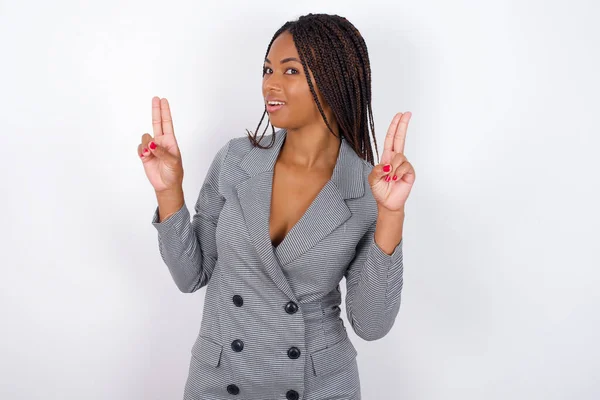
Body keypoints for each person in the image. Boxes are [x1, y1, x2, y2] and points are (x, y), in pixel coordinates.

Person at [137, 13, 415, 400]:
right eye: (268, 69)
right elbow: (191, 276)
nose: (271, 83)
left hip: (318, 387)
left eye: (290, 71)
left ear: (334, 81)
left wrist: (392, 214)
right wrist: (169, 191)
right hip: (219, 381)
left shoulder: (370, 189)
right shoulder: (236, 160)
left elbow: (371, 324)